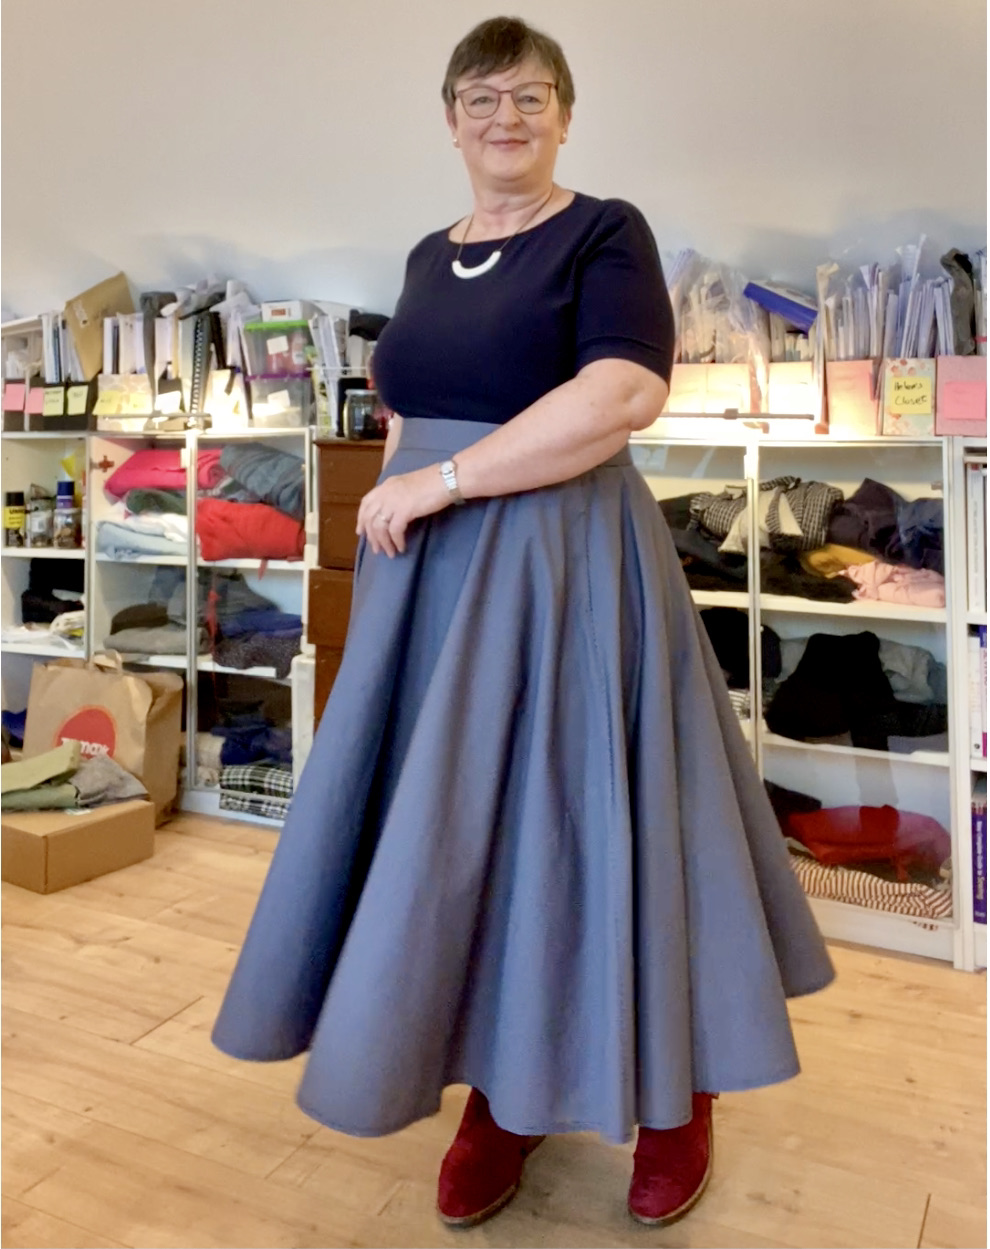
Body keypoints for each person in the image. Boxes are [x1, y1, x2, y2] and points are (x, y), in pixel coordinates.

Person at [212, 15, 835, 1230]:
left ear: (564, 115)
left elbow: (622, 393)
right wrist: (396, 516)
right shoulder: (425, 256)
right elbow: (407, 408)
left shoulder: (602, 231)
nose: (508, 116)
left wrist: (444, 483)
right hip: (434, 581)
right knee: (463, 838)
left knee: (596, 820)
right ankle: (503, 1093)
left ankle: (677, 1099)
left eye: (532, 95)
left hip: (562, 563)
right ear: (450, 119)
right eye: (483, 97)